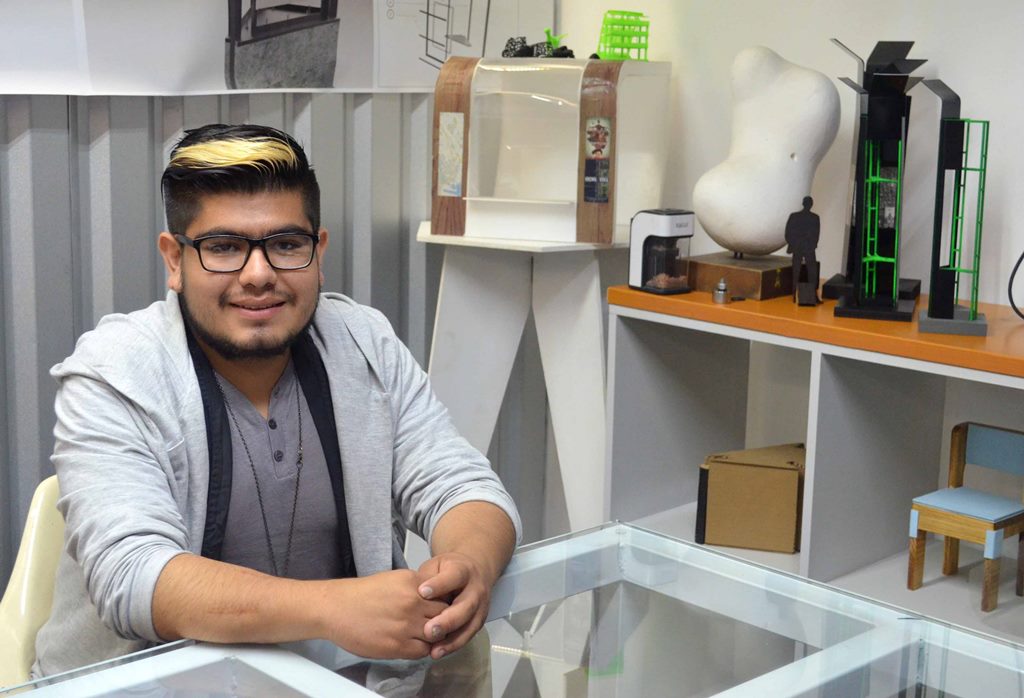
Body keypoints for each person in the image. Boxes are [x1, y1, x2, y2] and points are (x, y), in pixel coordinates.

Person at [32, 124, 521, 676]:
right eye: (223, 248)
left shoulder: (364, 343)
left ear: (319, 252)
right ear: (174, 260)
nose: (259, 275)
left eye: (286, 245)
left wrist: (469, 563)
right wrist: (334, 608)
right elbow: (132, 576)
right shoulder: (114, 372)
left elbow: (460, 484)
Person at [784, 195, 821, 303]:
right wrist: (811, 245)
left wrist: (795, 244)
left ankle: (795, 295)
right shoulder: (814, 218)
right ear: (811, 205)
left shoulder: (795, 216)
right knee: (810, 272)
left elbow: (788, 233)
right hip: (806, 248)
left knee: (798, 271)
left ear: (803, 204)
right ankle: (810, 296)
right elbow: (816, 234)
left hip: (801, 247)